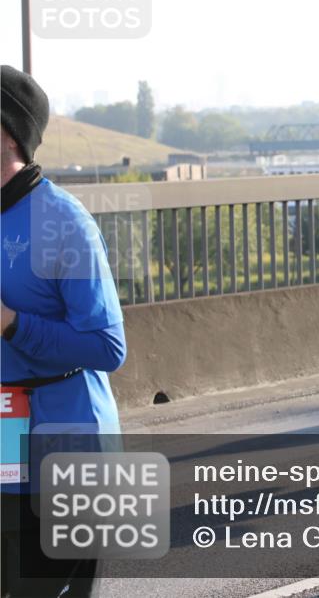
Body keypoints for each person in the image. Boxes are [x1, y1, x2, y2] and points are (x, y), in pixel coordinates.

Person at [1, 64, 126, 597]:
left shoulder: (63, 221)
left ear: (5, 133)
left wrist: (10, 325)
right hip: (9, 436)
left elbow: (107, 345)